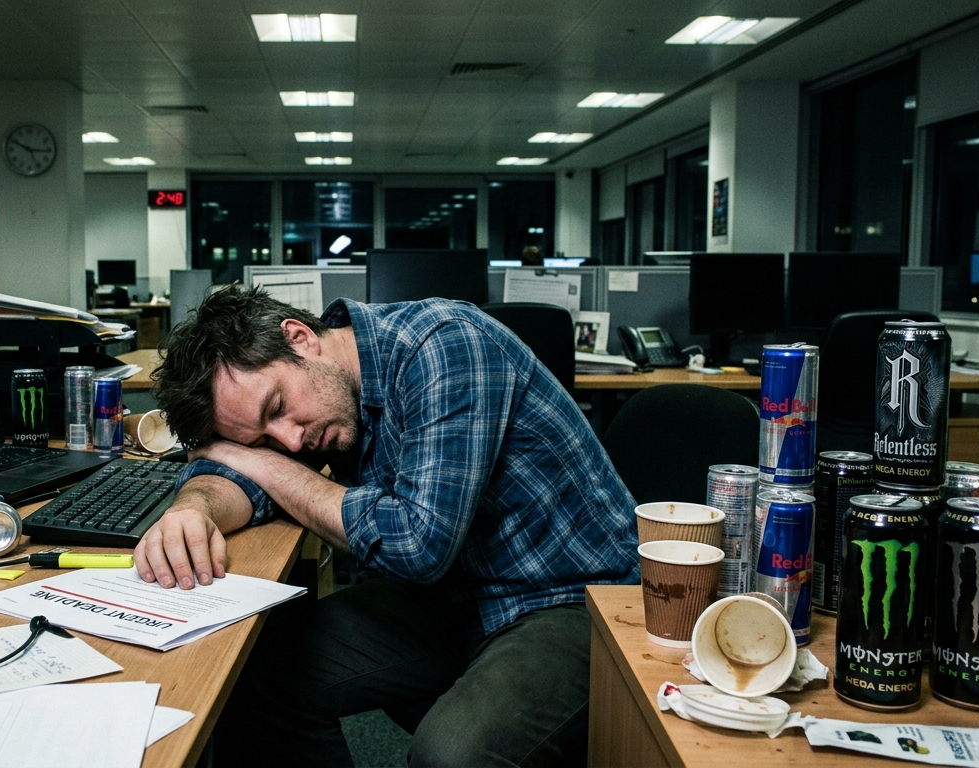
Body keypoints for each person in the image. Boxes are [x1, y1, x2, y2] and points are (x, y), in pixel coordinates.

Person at [135, 285, 638, 767]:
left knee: (453, 753)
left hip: (570, 599)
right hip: (452, 598)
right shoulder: (326, 396)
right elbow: (237, 480)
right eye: (261, 439)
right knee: (254, 671)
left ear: (299, 338)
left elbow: (418, 545)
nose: (289, 442)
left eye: (277, 409)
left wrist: (262, 463)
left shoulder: (445, 346)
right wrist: (192, 509)